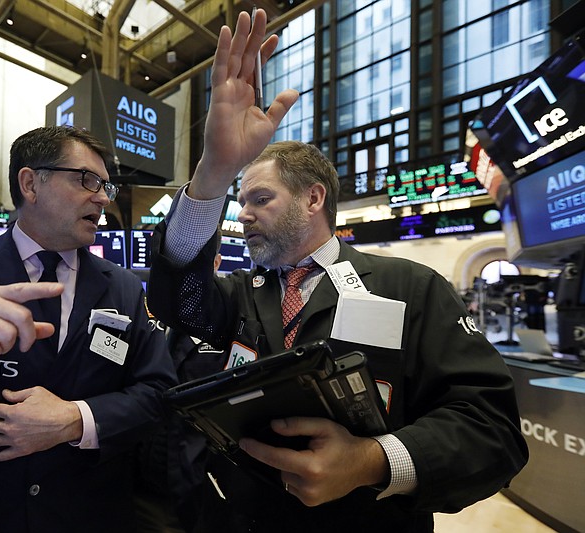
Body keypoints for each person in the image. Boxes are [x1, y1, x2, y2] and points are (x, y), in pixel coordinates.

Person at [147, 9, 528, 532]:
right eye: (240, 202)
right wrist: (214, 169)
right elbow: (178, 300)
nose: (244, 214)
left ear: (314, 197)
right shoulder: (239, 294)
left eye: (260, 198)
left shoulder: (410, 287)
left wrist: (371, 461)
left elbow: (491, 430)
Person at [0, 126, 178, 533]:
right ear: (30, 183)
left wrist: (75, 419)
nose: (102, 198)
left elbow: (157, 394)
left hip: (87, 515)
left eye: (106, 187)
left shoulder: (125, 288)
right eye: (86, 180)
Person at [134, 236, 225, 533]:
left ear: (215, 264)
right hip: (140, 484)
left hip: (200, 488)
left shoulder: (231, 325)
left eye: (196, 266)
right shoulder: (143, 318)